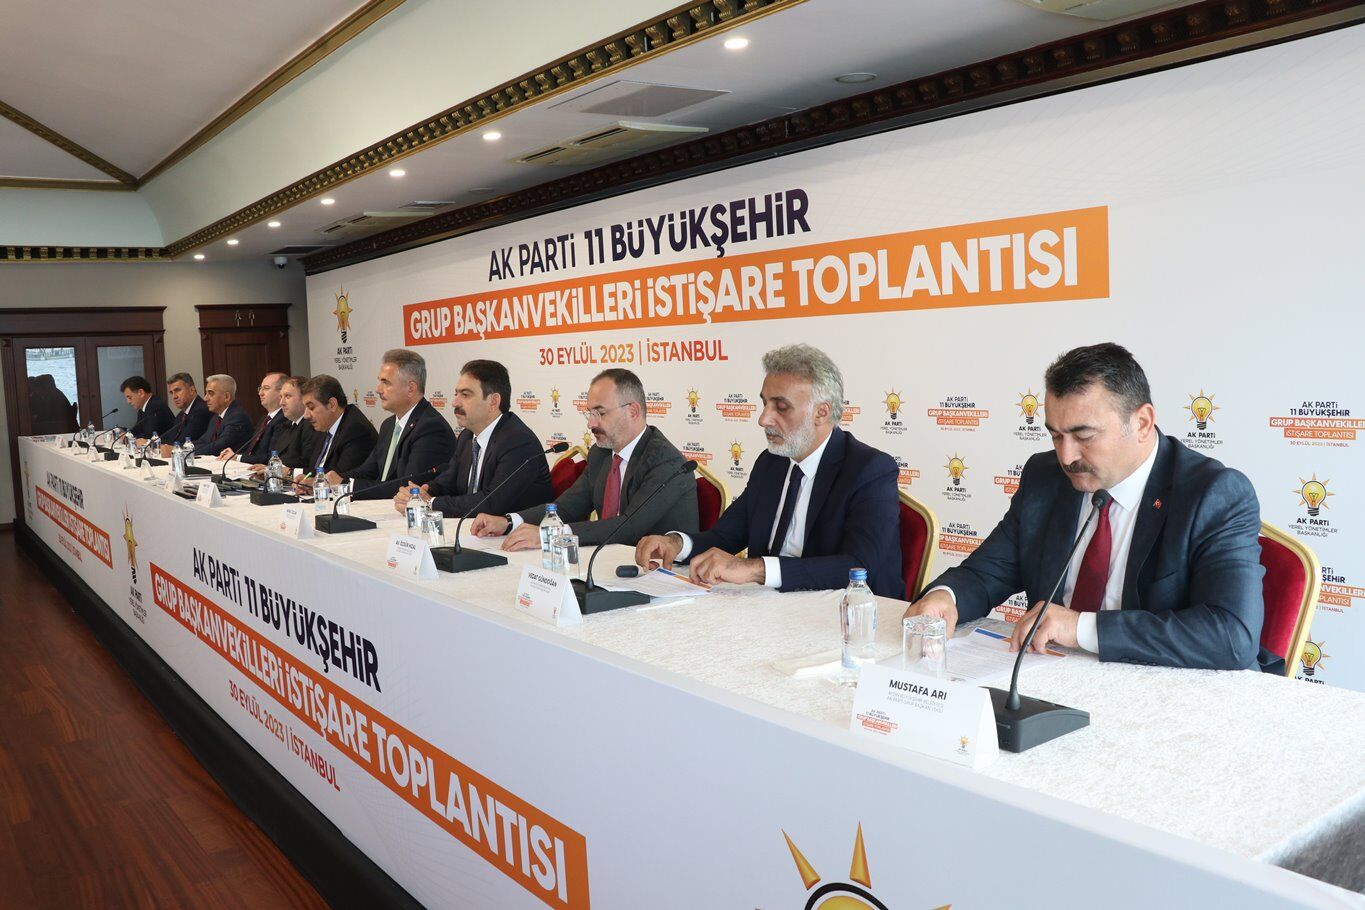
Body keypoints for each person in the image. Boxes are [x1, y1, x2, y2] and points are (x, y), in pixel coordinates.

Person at [903, 342, 1270, 671]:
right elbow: (987, 572)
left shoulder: (1213, 494)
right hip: (1054, 677)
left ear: (1142, 423)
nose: (1066, 456)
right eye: (1055, 435)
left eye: (1084, 436)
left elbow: (1231, 635)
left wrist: (1079, 627)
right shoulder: (1045, 477)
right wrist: (944, 597)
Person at [635, 344, 903, 597]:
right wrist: (677, 544)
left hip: (843, 614)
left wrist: (756, 570)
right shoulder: (770, 462)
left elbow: (858, 566)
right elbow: (725, 536)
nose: (763, 419)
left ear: (821, 413)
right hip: (769, 608)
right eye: (765, 403)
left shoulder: (869, 470)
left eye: (781, 407)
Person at [469, 368, 696, 548]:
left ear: (633, 412)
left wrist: (552, 535)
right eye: (589, 413)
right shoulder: (601, 453)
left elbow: (629, 526)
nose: (591, 423)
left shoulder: (665, 461)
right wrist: (509, 522)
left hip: (662, 574)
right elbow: (567, 508)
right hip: (610, 562)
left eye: (600, 413)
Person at [395, 359, 552, 520]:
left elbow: (491, 503)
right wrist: (422, 492)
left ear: (493, 402)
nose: (454, 402)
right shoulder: (467, 436)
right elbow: (447, 483)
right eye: (456, 394)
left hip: (520, 532)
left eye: (465, 395)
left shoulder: (518, 442)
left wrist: (430, 503)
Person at [326, 349, 455, 500]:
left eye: (386, 382)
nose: (378, 389)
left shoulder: (431, 428)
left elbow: (408, 486)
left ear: (411, 388)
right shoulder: (388, 425)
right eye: (379, 381)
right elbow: (367, 471)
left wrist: (346, 485)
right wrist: (330, 480)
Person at [297, 375, 377, 484]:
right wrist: (307, 478)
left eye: (311, 407)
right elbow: (316, 468)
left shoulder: (356, 429)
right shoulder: (324, 425)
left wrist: (314, 482)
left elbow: (339, 476)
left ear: (332, 405)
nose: (306, 415)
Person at [244, 376, 318, 474]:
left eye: (287, 396)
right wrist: (269, 468)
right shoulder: (286, 425)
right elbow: (276, 457)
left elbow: (306, 464)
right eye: (281, 397)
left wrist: (276, 470)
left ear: (304, 399)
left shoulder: (312, 426)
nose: (281, 403)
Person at [219, 372, 288, 464]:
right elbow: (251, 450)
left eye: (266, 388)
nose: (260, 393)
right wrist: (234, 455)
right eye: (260, 388)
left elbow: (271, 457)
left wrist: (238, 457)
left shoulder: (284, 419)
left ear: (281, 392)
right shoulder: (264, 419)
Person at [159, 373, 211, 446]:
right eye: (171, 392)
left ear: (191, 390)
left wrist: (163, 446)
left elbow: (184, 441)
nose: (174, 396)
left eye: (177, 390)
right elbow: (170, 438)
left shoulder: (202, 411)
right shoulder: (181, 415)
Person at [120, 375, 174, 440]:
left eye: (130, 397)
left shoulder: (156, 407)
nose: (128, 402)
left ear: (141, 393)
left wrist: (129, 437)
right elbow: (137, 430)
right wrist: (125, 433)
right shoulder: (143, 408)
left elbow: (149, 436)